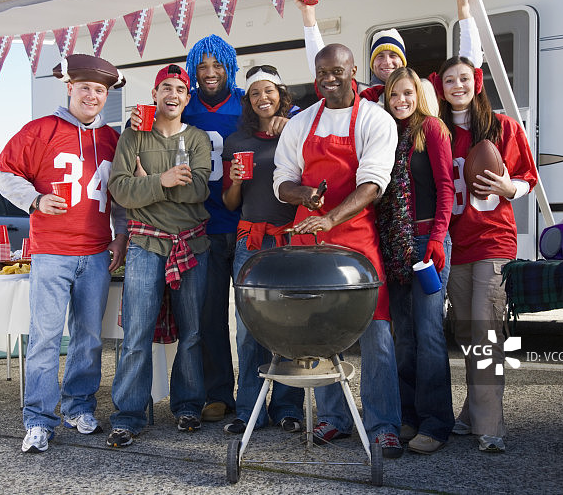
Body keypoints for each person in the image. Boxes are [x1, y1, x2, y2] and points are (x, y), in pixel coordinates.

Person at [131, 35, 290, 422]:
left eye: (217, 65)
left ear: (230, 67)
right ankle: (218, 393)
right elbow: (155, 127)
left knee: (262, 317)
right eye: (202, 66)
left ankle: (272, 397)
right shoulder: (184, 103)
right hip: (203, 225)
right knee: (208, 317)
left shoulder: (247, 100)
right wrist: (137, 119)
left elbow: (283, 110)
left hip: (249, 224)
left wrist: (290, 118)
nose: (210, 72)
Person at [0, 54, 128, 453]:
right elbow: (6, 174)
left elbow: (120, 196)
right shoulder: (40, 130)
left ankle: (78, 407)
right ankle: (38, 419)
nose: (92, 95)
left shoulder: (112, 139)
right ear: (70, 88)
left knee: (88, 338)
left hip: (97, 253)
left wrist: (121, 235)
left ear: (106, 96)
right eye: (85, 87)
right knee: (45, 339)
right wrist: (35, 199)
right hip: (52, 252)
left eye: (100, 90)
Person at [273, 43, 403, 458]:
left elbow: (373, 183)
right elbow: (282, 180)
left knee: (377, 331)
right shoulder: (301, 123)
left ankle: (383, 424)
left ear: (353, 71)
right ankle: (334, 417)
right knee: (317, 330)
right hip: (308, 239)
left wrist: (331, 217)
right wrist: (304, 194)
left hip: (356, 238)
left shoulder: (375, 119)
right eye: (322, 73)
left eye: (337, 71)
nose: (329, 79)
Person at [429, 56, 537, 452]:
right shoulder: (437, 132)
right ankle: (471, 412)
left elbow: (528, 177)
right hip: (455, 245)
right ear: (441, 88)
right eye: (449, 80)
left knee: (486, 334)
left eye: (463, 78)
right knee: (466, 334)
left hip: (493, 241)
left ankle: (490, 428)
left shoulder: (503, 126)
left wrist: (510, 189)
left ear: (476, 83)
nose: (457, 85)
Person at [106, 64, 212, 446]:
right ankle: (129, 415)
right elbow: (120, 190)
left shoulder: (197, 138)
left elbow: (199, 190)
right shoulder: (133, 136)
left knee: (192, 333)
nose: (172, 94)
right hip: (145, 244)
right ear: (154, 94)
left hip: (190, 243)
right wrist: (164, 180)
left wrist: (147, 185)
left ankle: (188, 406)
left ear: (187, 98)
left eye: (180, 89)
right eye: (165, 87)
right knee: (137, 334)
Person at [375, 67, 455, 454]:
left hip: (426, 243)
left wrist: (437, 238)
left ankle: (436, 422)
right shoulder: (386, 133)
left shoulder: (432, 129)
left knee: (429, 333)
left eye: (407, 93)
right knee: (403, 338)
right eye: (394, 94)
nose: (401, 100)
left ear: (418, 95)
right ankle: (408, 416)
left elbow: (446, 188)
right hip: (394, 244)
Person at [220, 65, 304, 435]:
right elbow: (230, 202)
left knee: (289, 325)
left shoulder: (297, 130)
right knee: (248, 328)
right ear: (248, 101)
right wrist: (237, 181)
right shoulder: (237, 141)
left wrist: (292, 129)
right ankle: (248, 409)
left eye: (268, 91)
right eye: (255, 93)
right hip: (250, 241)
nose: (262, 98)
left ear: (280, 94)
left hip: (288, 239)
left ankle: (288, 407)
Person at [295, 0, 482, 107]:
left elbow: (468, 67)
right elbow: (322, 68)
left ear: (403, 61)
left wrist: (464, 13)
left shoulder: (424, 88)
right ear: (372, 63)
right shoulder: (360, 93)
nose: (387, 62)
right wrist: (308, 15)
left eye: (393, 55)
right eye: (380, 56)